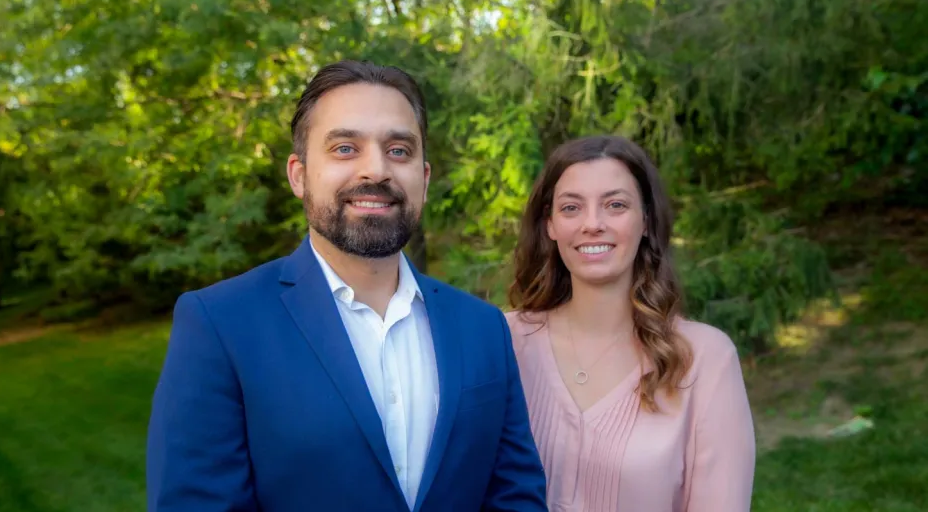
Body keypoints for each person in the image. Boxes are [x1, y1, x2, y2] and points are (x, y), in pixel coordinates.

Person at [146, 60, 548, 512]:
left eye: (399, 150)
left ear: (425, 178)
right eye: (344, 148)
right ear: (298, 175)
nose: (375, 170)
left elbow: (516, 496)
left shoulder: (483, 327)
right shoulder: (220, 324)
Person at [505, 135, 756, 512]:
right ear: (550, 225)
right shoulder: (502, 340)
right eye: (571, 207)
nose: (593, 224)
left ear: (645, 220)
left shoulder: (704, 359)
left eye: (615, 205)